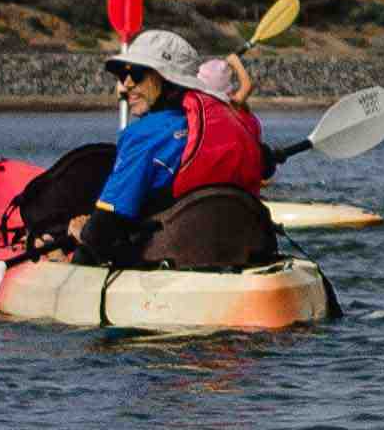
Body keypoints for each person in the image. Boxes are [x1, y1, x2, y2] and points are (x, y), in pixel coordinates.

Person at [72, 28, 281, 271]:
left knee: (84, 242)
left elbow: (106, 226)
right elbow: (264, 164)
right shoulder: (232, 123)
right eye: (122, 74)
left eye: (137, 74)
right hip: (239, 250)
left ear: (166, 77)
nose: (126, 85)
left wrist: (83, 233)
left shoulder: (143, 135)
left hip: (166, 257)